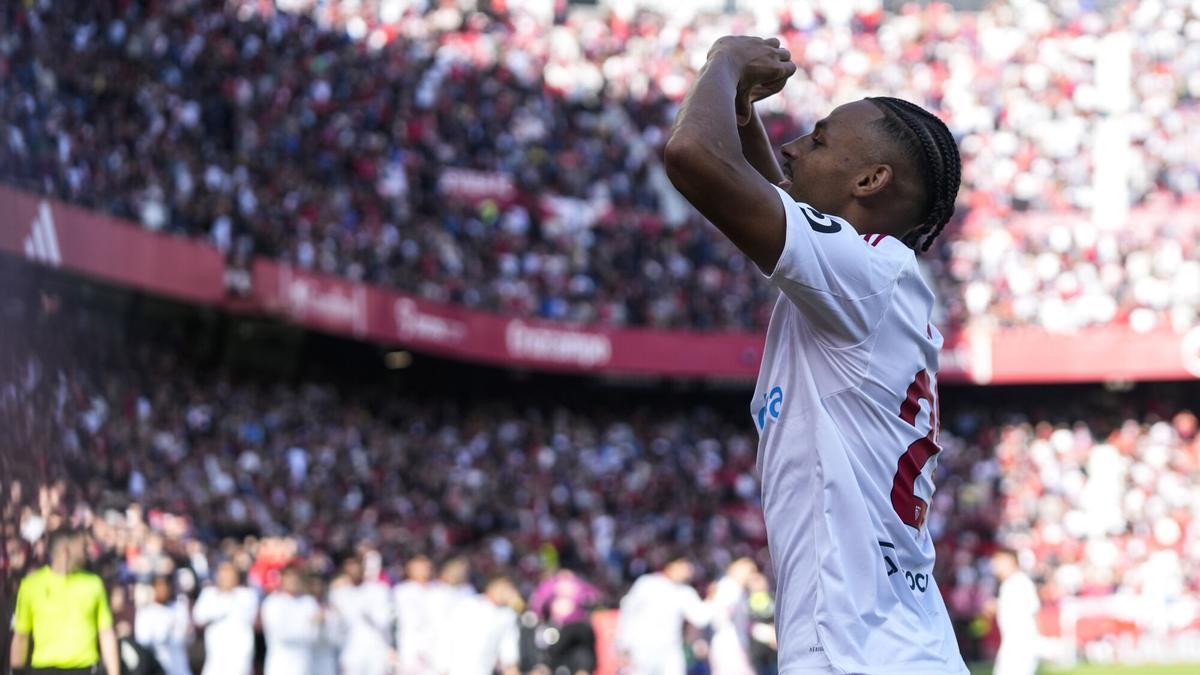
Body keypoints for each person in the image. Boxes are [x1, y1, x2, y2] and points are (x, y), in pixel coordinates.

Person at [663, 35, 967, 674]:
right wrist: (742, 111)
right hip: (892, 647)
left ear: (870, 180)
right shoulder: (871, 279)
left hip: (856, 653)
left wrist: (725, 60)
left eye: (820, 141)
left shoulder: (866, 272)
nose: (794, 147)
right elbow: (777, 195)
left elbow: (693, 157)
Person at [9, 527, 121, 675]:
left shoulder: (94, 584)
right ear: (65, 551)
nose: (86, 552)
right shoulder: (31, 585)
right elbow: (21, 635)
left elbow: (106, 633)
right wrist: (16, 671)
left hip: (84, 669)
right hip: (44, 670)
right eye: (82, 547)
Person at [615, 558, 712, 675]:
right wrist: (623, 644)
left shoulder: (685, 592)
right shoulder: (647, 583)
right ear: (671, 565)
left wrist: (713, 598)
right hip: (642, 648)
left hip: (670, 650)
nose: (687, 572)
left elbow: (700, 618)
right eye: (684, 567)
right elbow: (628, 613)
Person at [433, 575, 521, 675]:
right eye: (503, 587)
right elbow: (447, 637)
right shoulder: (468, 605)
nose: (506, 592)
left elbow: (509, 652)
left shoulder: (508, 615)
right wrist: (442, 668)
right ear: (491, 586)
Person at [529, 567, 601, 675]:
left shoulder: (551, 584)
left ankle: (545, 667)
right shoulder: (580, 583)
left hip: (566, 628)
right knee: (582, 655)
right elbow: (594, 598)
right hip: (577, 628)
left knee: (552, 658)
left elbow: (538, 604)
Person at [191, 561, 258, 675]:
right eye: (223, 575)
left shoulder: (247, 595)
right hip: (215, 658)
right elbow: (198, 617)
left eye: (230, 575)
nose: (227, 579)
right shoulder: (208, 594)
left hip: (240, 659)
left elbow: (251, 617)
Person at [329, 555, 393, 675]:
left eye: (356, 566)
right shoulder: (338, 593)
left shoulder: (379, 590)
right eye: (350, 567)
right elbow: (335, 624)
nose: (354, 570)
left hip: (376, 648)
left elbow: (384, 620)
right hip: (350, 649)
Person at [989, 548, 1041, 675]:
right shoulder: (1008, 584)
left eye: (999, 561)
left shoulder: (1021, 582)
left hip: (1021, 645)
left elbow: (1034, 612)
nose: (995, 565)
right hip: (1011, 644)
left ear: (1010, 561)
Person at [261, 566, 321, 675]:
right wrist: (309, 624)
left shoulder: (309, 602)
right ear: (282, 579)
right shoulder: (272, 602)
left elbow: (315, 636)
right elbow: (283, 634)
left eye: (295, 577)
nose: (293, 581)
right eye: (289, 577)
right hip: (280, 666)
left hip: (305, 666)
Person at [134, 576, 192, 675]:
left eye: (165, 586)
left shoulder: (179, 608)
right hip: (156, 669)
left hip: (179, 668)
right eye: (159, 586)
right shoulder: (145, 612)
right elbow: (143, 641)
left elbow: (187, 637)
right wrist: (166, 628)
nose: (163, 590)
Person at [708, 558, 757, 675]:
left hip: (734, 644)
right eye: (749, 571)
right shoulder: (729, 587)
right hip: (728, 646)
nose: (751, 576)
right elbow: (719, 616)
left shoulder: (738, 589)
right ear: (735, 569)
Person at [393, 555, 437, 674]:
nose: (424, 570)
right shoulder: (401, 591)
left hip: (434, 647)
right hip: (409, 647)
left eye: (426, 566)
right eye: (419, 567)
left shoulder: (438, 589)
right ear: (410, 569)